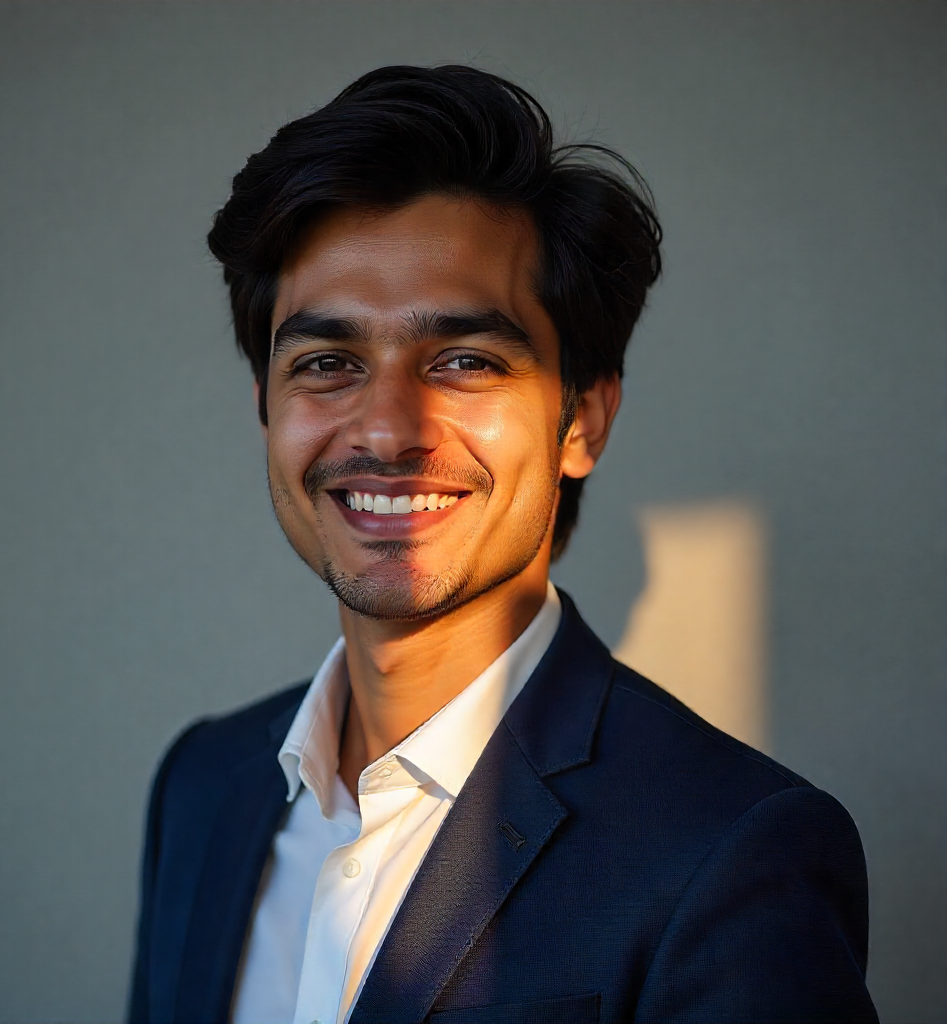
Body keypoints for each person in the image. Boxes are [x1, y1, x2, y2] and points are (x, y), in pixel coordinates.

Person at [127, 65, 877, 1024]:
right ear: (267, 409)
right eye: (327, 362)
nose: (386, 429)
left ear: (583, 419)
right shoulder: (203, 787)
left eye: (465, 360)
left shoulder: (731, 852)